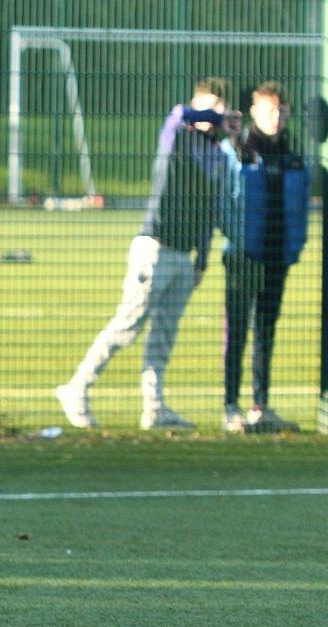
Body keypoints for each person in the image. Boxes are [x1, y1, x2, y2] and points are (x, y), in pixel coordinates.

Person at [57, 77, 239, 430]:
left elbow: (211, 210)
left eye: (218, 106)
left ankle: (154, 407)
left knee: (164, 336)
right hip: (154, 250)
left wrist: (201, 259)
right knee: (127, 326)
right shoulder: (177, 136)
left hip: (184, 257)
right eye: (208, 106)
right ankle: (77, 387)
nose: (212, 113)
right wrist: (215, 116)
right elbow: (177, 114)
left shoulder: (216, 155)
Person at [219, 81, 309, 434]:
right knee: (238, 330)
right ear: (254, 112)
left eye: (281, 110)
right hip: (244, 254)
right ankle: (230, 405)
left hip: (277, 253)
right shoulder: (240, 149)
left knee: (266, 331)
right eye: (270, 110)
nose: (276, 117)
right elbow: (225, 198)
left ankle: (261, 405)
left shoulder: (291, 150)